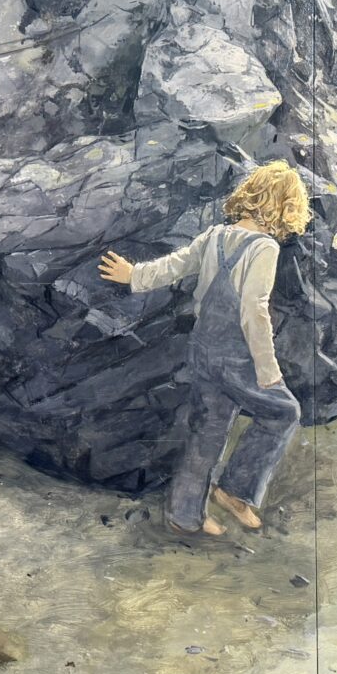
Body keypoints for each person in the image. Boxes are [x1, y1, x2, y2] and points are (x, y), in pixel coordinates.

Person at [97, 160, 311, 536]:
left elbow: (175, 265)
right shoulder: (264, 248)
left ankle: (185, 515)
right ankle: (235, 491)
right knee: (285, 412)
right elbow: (254, 311)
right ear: (286, 207)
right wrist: (267, 369)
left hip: (202, 349)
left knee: (208, 429)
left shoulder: (215, 235)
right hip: (236, 356)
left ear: (251, 194)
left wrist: (134, 275)